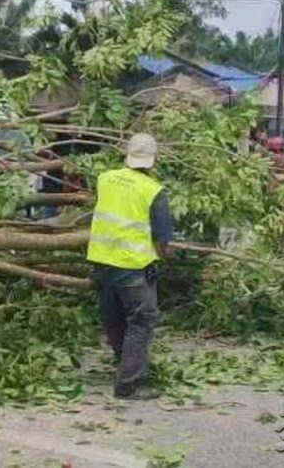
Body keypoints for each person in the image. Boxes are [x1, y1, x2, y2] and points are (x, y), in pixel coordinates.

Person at [87, 133, 173, 400]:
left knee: (113, 317)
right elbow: (162, 239)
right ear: (152, 160)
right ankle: (129, 383)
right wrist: (163, 258)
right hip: (132, 268)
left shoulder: (104, 179)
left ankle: (123, 362)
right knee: (141, 320)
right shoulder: (154, 191)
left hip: (101, 262)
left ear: (127, 155)